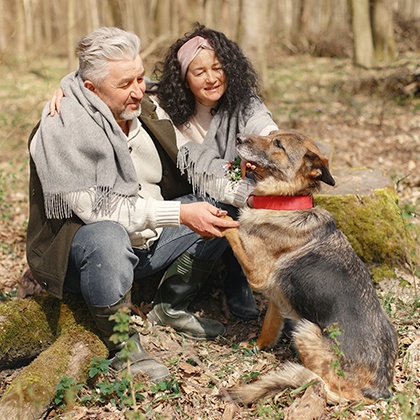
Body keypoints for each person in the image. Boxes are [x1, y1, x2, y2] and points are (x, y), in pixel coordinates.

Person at [27, 27, 239, 383]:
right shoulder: (61, 131)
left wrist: (256, 194)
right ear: (90, 89)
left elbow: (202, 87)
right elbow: (102, 211)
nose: (139, 90)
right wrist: (182, 215)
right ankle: (123, 346)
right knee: (107, 235)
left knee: (222, 206)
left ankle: (171, 305)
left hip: (152, 241)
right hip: (89, 257)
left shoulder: (144, 106)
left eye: (140, 77)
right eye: (126, 83)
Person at [150, 23, 279, 320]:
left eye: (218, 68)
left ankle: (237, 279)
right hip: (187, 197)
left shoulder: (243, 102)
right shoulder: (165, 107)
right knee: (222, 201)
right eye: (199, 72)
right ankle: (174, 301)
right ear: (183, 79)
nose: (211, 78)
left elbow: (262, 126)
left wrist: (271, 146)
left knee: (234, 200)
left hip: (233, 195)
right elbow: (119, 80)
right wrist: (68, 85)